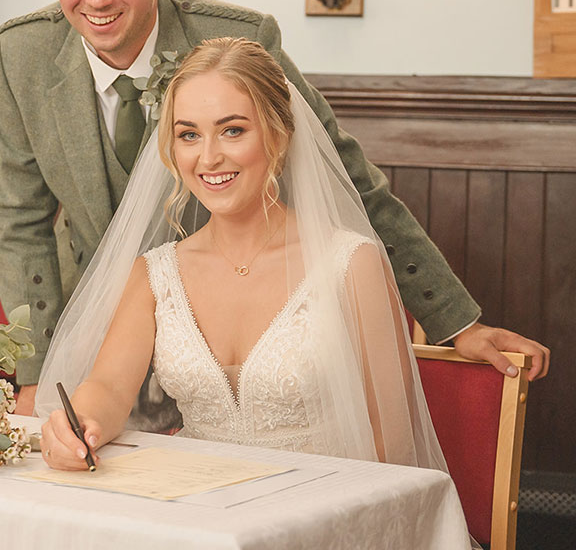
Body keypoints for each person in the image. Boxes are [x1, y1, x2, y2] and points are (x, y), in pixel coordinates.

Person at [0, 0, 550, 419]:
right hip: (94, 333)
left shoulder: (238, 39)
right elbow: (18, 219)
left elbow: (348, 180)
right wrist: (35, 371)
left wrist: (455, 322)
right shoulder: (20, 53)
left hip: (235, 337)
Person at [35, 39, 471, 548]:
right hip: (194, 522)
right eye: (189, 135)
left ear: (280, 136)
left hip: (326, 521)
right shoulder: (155, 273)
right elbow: (108, 388)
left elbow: (390, 448)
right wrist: (76, 425)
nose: (208, 157)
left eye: (233, 131)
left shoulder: (351, 264)